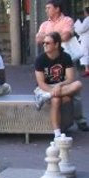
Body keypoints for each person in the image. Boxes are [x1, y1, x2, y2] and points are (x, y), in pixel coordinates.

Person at [35, 0, 88, 131]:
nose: (46, 10)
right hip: (49, 60)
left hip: (65, 58)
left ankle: (80, 120)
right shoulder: (44, 23)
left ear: (57, 9)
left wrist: (47, 36)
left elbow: (66, 36)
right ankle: (63, 123)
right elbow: (37, 39)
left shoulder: (67, 20)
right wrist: (55, 36)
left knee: (74, 92)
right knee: (62, 94)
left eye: (48, 8)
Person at [34, 32, 83, 137]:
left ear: (56, 44)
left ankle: (46, 97)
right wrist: (52, 91)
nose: (44, 45)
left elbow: (70, 79)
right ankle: (57, 133)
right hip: (44, 88)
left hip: (61, 86)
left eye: (47, 43)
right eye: (43, 43)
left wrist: (59, 85)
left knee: (78, 84)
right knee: (58, 99)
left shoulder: (66, 57)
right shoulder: (40, 59)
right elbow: (41, 83)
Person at [75, 7, 89, 77]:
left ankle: (87, 70)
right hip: (86, 38)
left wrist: (76, 27)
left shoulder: (87, 19)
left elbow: (82, 29)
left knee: (84, 53)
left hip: (86, 39)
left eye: (84, 11)